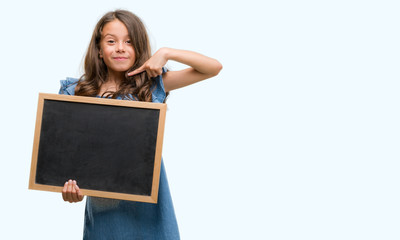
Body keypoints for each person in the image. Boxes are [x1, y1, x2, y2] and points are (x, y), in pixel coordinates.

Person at [59, 9, 222, 240]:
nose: (120, 48)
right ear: (99, 49)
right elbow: (67, 156)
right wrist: (70, 188)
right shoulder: (77, 92)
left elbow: (213, 68)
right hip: (106, 212)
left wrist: (166, 52)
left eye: (129, 41)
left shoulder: (151, 86)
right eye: (111, 41)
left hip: (150, 209)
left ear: (139, 48)